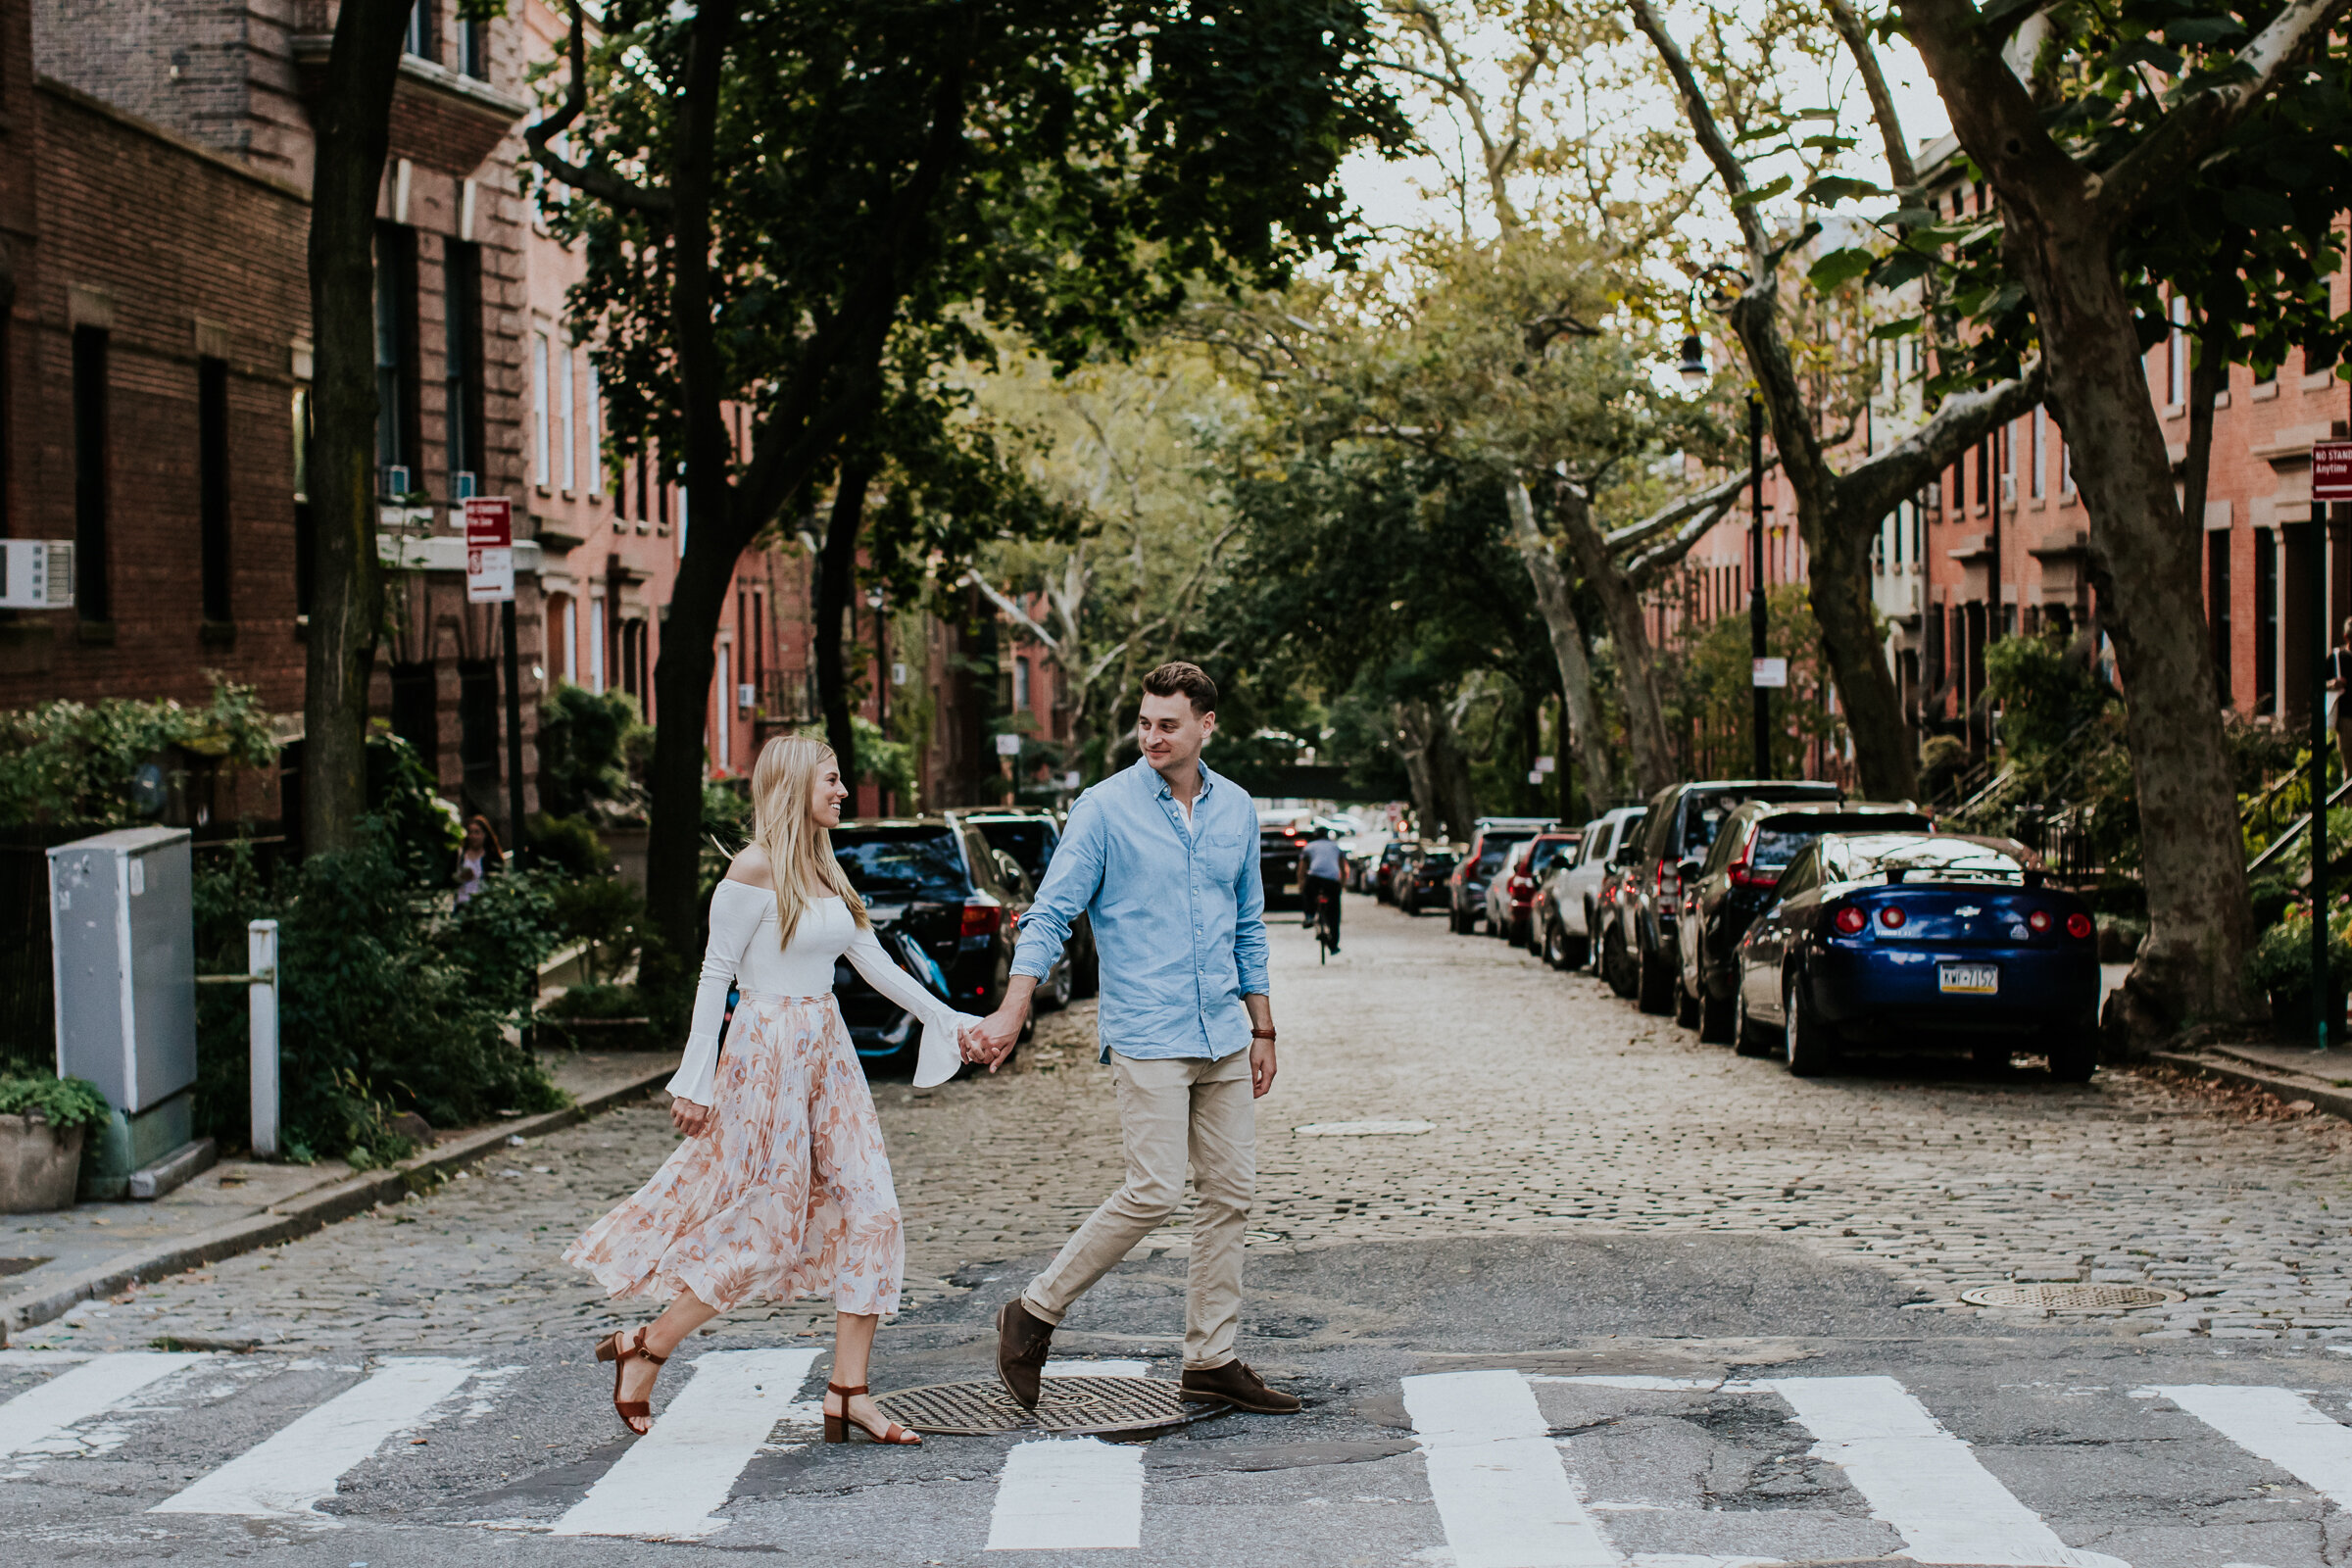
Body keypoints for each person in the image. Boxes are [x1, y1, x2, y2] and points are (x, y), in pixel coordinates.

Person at [564, 736, 981, 1445]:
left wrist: (953, 1023)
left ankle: (850, 1391)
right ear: (793, 786)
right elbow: (714, 975)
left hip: (828, 1050)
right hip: (765, 1053)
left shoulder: (828, 870)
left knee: (875, 1212)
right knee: (768, 1227)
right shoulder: (753, 870)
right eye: (833, 779)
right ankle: (649, 1346)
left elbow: (877, 966)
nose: (843, 791)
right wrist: (694, 1079)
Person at [963, 661, 1298, 1416]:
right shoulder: (1103, 810)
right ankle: (1034, 1312)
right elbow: (1049, 914)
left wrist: (1263, 1026)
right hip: (1147, 1029)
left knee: (1231, 1194)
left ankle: (1210, 1358)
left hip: (1221, 1028)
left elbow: (1248, 925)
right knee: (1153, 1189)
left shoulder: (1237, 809)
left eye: (1168, 724)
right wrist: (1014, 1009)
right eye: (1145, 722)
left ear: (1205, 725)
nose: (1152, 736)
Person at [1299, 829, 1345, 951]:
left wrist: (1301, 885)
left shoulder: (1309, 847)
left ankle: (1309, 916)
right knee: (1335, 913)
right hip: (1332, 881)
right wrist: (1341, 885)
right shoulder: (1335, 847)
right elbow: (1343, 868)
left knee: (1308, 892)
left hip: (1315, 878)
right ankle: (1334, 944)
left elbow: (1302, 869)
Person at [453, 815, 503, 906]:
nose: (473, 836)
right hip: (463, 902)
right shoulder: (460, 855)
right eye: (470, 832)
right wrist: (460, 877)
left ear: (485, 834)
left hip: (483, 904)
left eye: (477, 832)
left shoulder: (492, 856)